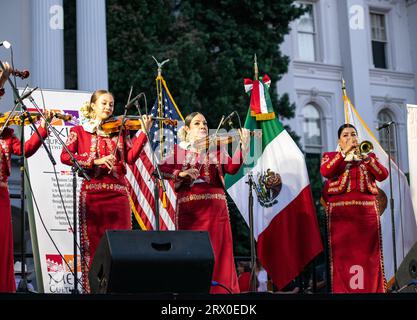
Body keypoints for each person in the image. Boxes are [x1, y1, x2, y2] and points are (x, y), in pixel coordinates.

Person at [60, 89, 152, 293]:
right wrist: (95, 161)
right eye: (103, 103)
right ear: (93, 105)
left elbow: (130, 157)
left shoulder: (120, 130)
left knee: (121, 248)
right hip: (92, 196)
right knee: (93, 247)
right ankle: (93, 291)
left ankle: (119, 292)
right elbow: (65, 156)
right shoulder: (79, 130)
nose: (108, 107)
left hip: (118, 195)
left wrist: (144, 132)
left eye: (111, 104)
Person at [159, 112, 250, 294]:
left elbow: (232, 168)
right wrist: (181, 174)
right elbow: (161, 171)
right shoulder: (179, 150)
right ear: (186, 129)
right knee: (192, 253)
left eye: (205, 123)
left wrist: (244, 144)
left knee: (220, 255)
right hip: (190, 212)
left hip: (216, 211)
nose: (203, 126)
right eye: (197, 123)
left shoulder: (215, 149)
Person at [320, 123, 388, 293]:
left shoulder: (368, 155)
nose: (350, 137)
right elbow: (326, 171)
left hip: (367, 217)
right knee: (343, 258)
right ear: (339, 140)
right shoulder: (331, 156)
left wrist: (366, 159)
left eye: (353, 134)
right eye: (345, 135)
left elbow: (383, 175)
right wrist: (343, 154)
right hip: (341, 217)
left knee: (368, 258)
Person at [0, 90, 52, 292]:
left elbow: (27, 149)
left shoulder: (7, 136)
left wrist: (43, 127)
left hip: (2, 196)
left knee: (3, 244)